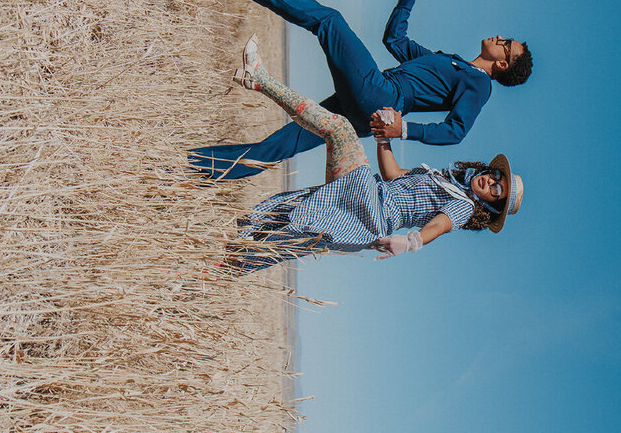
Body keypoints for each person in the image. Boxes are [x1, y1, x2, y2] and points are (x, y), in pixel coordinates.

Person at [188, 0, 532, 179]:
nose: (500, 37)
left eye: (506, 44)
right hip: (369, 107)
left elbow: (456, 131)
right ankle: (197, 168)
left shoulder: (479, 85)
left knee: (330, 22)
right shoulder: (450, 62)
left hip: (380, 98)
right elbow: (395, 41)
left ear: (501, 63)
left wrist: (404, 131)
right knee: (287, 141)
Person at [223, 37, 523, 274]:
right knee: (290, 228)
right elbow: (393, 175)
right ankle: (223, 264)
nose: (492, 183)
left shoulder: (464, 207)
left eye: (497, 191)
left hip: (369, 215)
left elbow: (439, 226)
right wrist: (383, 136)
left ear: (489, 204)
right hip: (366, 192)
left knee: (337, 132)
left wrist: (410, 242)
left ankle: (259, 79)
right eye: (496, 177)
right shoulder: (443, 179)